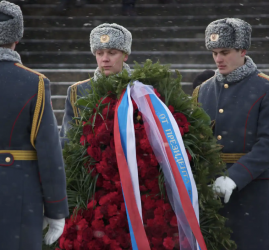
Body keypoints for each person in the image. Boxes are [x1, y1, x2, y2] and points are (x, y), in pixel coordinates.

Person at [193, 18, 269, 249]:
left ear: (242, 50)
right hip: (210, 194)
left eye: (225, 52)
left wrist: (235, 177)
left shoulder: (264, 88)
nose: (218, 59)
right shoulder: (202, 91)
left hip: (253, 193)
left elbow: (266, 144)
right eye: (214, 53)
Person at [0, 1, 69, 249]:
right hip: (19, 191)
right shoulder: (35, 83)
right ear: (17, 38)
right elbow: (49, 152)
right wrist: (56, 208)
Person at [60, 23, 132, 147]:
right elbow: (68, 140)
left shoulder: (140, 89)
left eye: (112, 53)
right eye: (100, 53)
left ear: (125, 55)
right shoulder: (77, 91)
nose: (105, 59)